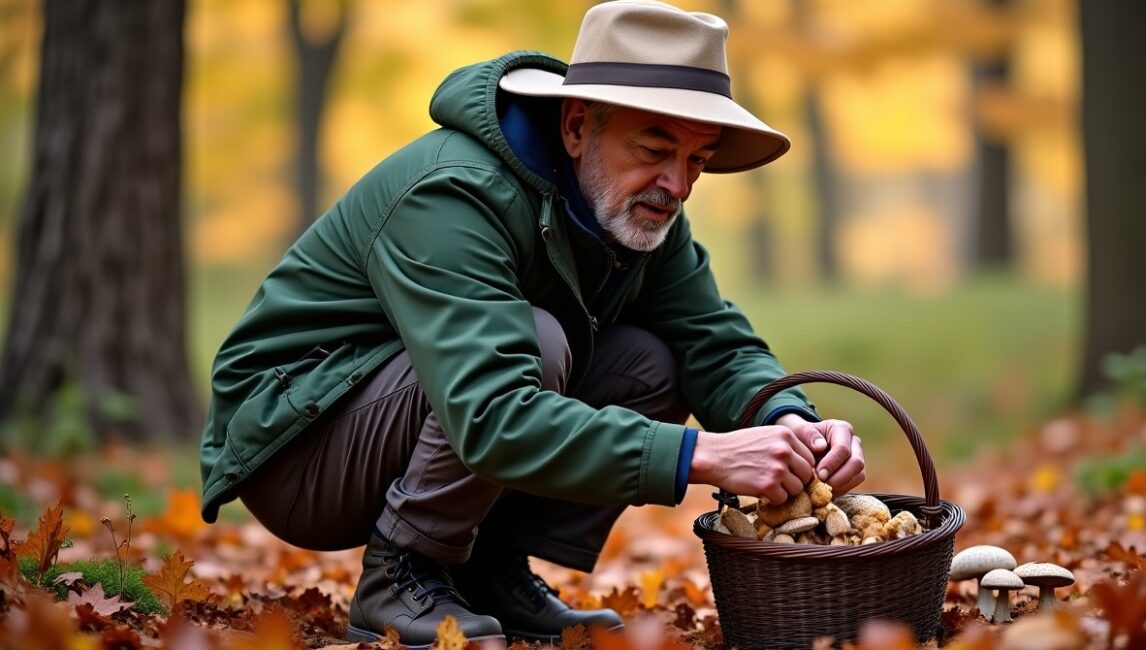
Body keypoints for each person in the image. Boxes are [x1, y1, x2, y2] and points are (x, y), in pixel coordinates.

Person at [198, 0, 865, 646]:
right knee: (537, 341)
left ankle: (486, 573)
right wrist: (701, 456)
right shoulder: (452, 193)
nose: (678, 183)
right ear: (576, 126)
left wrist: (787, 420)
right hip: (299, 450)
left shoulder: (640, 211)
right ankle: (401, 576)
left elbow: (711, 343)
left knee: (651, 359)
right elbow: (491, 413)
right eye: (655, 147)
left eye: (696, 159)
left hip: (422, 412)